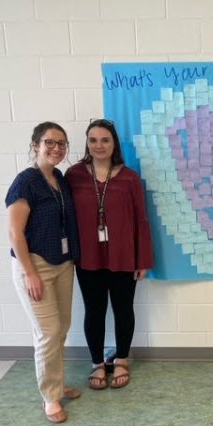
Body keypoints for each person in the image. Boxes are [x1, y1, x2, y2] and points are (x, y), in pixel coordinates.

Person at [65, 119, 154, 390]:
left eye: (105, 140)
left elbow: (141, 220)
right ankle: (97, 364)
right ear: (87, 143)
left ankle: (122, 360)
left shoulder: (129, 177)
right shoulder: (74, 175)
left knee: (123, 309)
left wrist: (143, 260)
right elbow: (65, 217)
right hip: (88, 257)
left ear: (114, 143)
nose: (99, 145)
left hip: (124, 256)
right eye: (93, 140)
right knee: (94, 310)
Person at [6, 122, 81, 423]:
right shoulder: (25, 182)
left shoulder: (59, 178)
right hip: (34, 266)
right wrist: (30, 274)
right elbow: (14, 233)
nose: (56, 148)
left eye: (62, 143)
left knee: (61, 328)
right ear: (35, 144)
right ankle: (50, 397)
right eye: (50, 142)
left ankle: (58, 383)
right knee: (47, 333)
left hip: (63, 264)